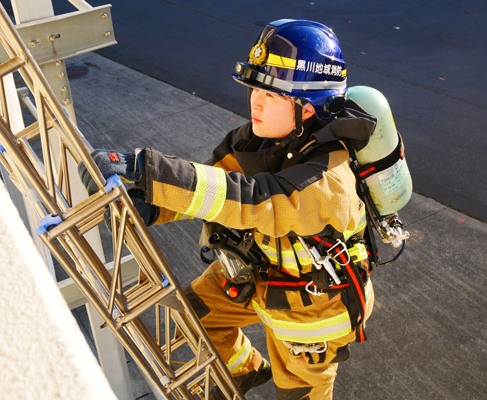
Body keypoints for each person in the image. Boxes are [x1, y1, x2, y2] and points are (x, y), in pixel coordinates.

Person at [80, 19, 380, 400]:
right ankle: (244, 373)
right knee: (195, 318)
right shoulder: (258, 142)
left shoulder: (325, 180)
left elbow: (250, 200)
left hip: (312, 311)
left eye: (271, 95)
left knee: (299, 394)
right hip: (263, 277)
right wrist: (151, 204)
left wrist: (147, 171)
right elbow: (212, 183)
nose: (255, 100)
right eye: (256, 87)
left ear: (307, 109)